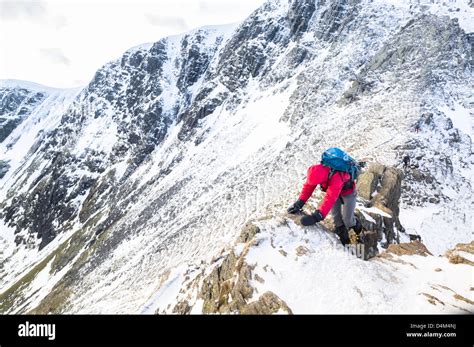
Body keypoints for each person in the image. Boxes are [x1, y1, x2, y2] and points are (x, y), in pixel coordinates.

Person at [287, 149, 362, 245]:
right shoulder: (316, 172)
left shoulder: (336, 177)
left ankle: (357, 225)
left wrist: (317, 216)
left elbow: (330, 198)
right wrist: (299, 203)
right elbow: (308, 187)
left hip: (348, 193)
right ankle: (344, 239)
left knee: (348, 220)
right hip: (336, 192)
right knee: (337, 221)